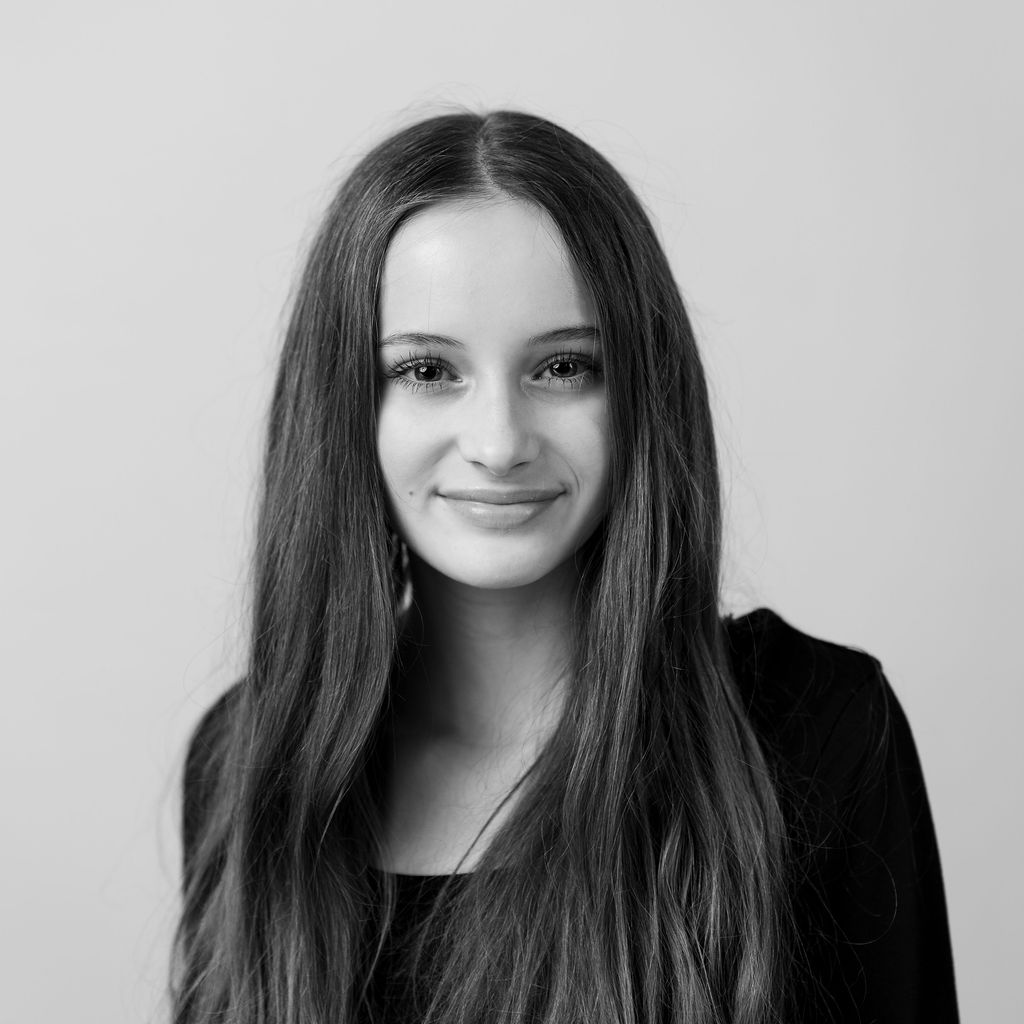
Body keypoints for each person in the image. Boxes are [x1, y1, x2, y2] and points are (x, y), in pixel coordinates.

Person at [171, 110, 959, 1024]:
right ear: (343, 406)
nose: (499, 442)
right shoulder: (244, 761)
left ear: (641, 392)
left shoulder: (817, 730)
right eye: (427, 372)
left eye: (564, 367)